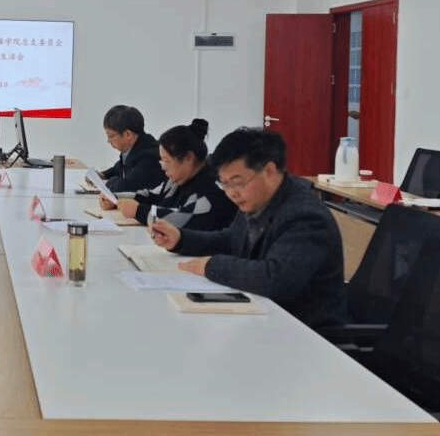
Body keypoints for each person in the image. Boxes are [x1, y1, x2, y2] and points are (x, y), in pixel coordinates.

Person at [146, 127, 346, 331]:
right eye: (224, 184)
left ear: (269, 171)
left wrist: (212, 266)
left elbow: (274, 278)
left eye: (237, 182)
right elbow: (230, 239)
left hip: (306, 333)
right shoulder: (256, 199)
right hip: (263, 319)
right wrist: (181, 239)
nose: (231, 193)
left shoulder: (305, 216)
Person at [103, 119, 236, 232]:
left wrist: (138, 211)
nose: (163, 167)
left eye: (166, 161)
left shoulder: (210, 188)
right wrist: (116, 199)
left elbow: (181, 218)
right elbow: (151, 195)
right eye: (161, 161)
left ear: (189, 158)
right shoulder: (177, 179)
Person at [97, 105, 165, 192]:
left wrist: (106, 182)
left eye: (110, 136)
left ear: (128, 134)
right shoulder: (134, 149)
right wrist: (102, 175)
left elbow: (126, 186)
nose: (108, 141)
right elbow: (118, 168)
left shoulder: (149, 157)